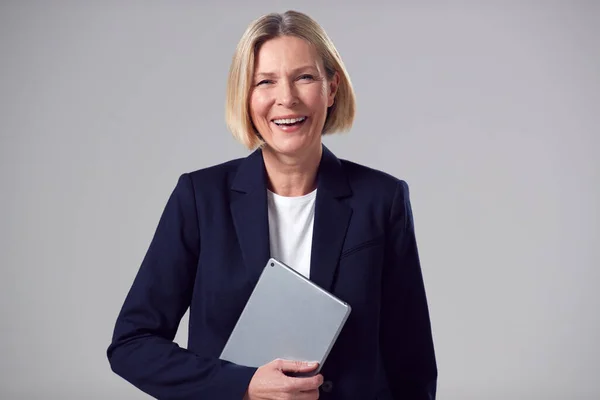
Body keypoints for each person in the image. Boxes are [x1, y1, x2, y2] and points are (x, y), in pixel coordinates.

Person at [107, 9, 437, 400]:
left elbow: (412, 364)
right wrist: (242, 385)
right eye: (265, 81)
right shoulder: (200, 197)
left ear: (331, 89)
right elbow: (132, 343)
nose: (287, 98)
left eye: (305, 77)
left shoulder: (383, 199)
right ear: (246, 98)